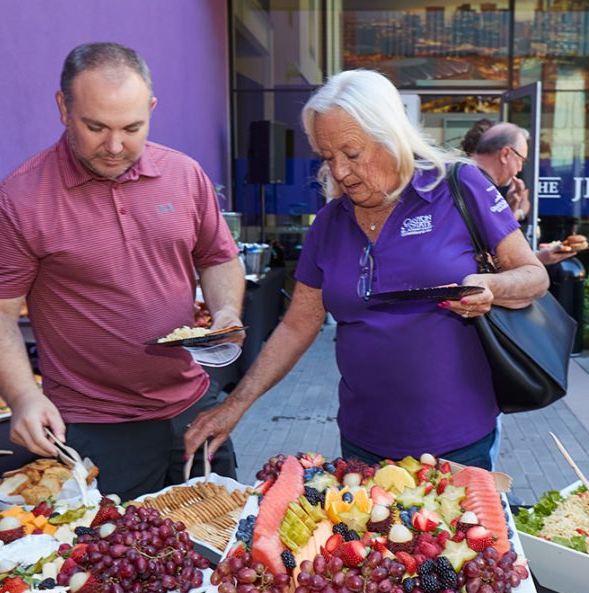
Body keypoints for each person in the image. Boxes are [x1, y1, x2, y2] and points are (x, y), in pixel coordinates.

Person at [183, 69, 549, 470]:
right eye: (327, 157)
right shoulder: (329, 223)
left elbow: (534, 276)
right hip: (363, 443)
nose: (339, 171)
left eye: (352, 154)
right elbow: (296, 326)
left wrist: (491, 286)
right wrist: (236, 404)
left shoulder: (458, 185)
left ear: (390, 136)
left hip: (456, 442)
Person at [0, 42, 245, 499]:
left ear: (151, 109)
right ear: (63, 107)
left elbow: (216, 256)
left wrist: (226, 311)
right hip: (95, 427)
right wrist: (24, 397)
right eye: (95, 127)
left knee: (226, 550)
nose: (115, 147)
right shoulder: (15, 201)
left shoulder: (185, 174)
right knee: (111, 564)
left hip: (195, 407)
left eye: (132, 128)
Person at [468, 122, 586, 265]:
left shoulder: (471, 181)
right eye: (521, 160)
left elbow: (491, 242)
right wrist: (538, 258)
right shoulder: (480, 187)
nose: (520, 169)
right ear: (505, 154)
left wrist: (511, 208)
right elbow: (491, 258)